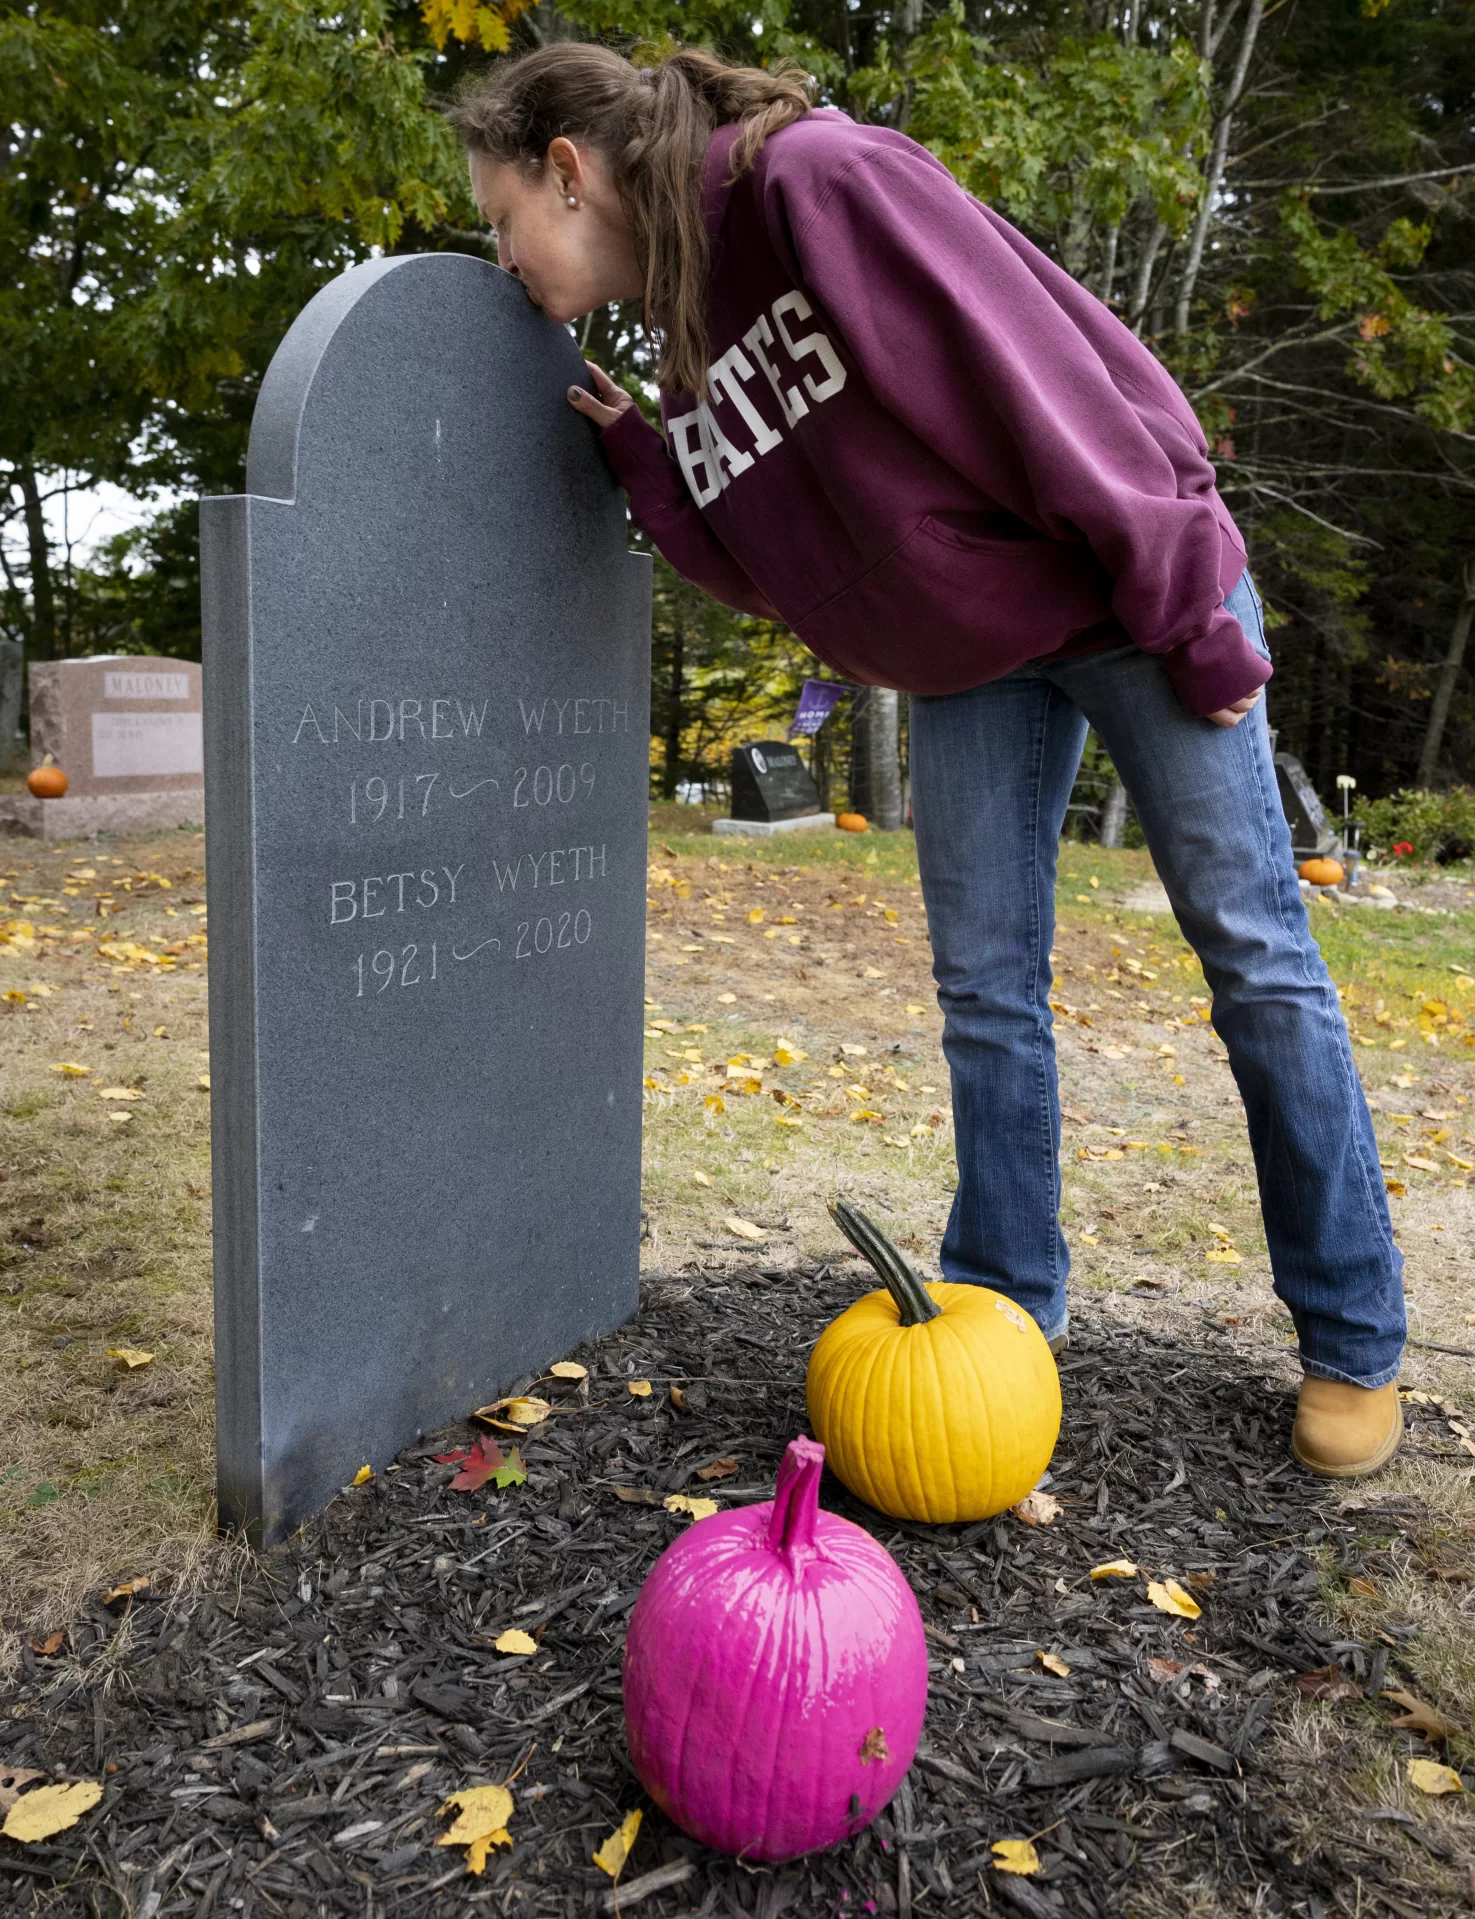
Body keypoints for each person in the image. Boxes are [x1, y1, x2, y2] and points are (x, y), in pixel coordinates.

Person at [449, 44, 1406, 1479]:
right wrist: (649, 462)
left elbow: (1052, 389)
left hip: (1132, 599)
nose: (500, 251)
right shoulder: (686, 331)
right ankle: (1008, 1308)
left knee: (1255, 954)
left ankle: (1349, 1334)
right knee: (982, 988)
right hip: (978, 664)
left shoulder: (819, 182)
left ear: (569, 171)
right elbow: (777, 564)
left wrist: (1191, 617)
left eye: (498, 213)